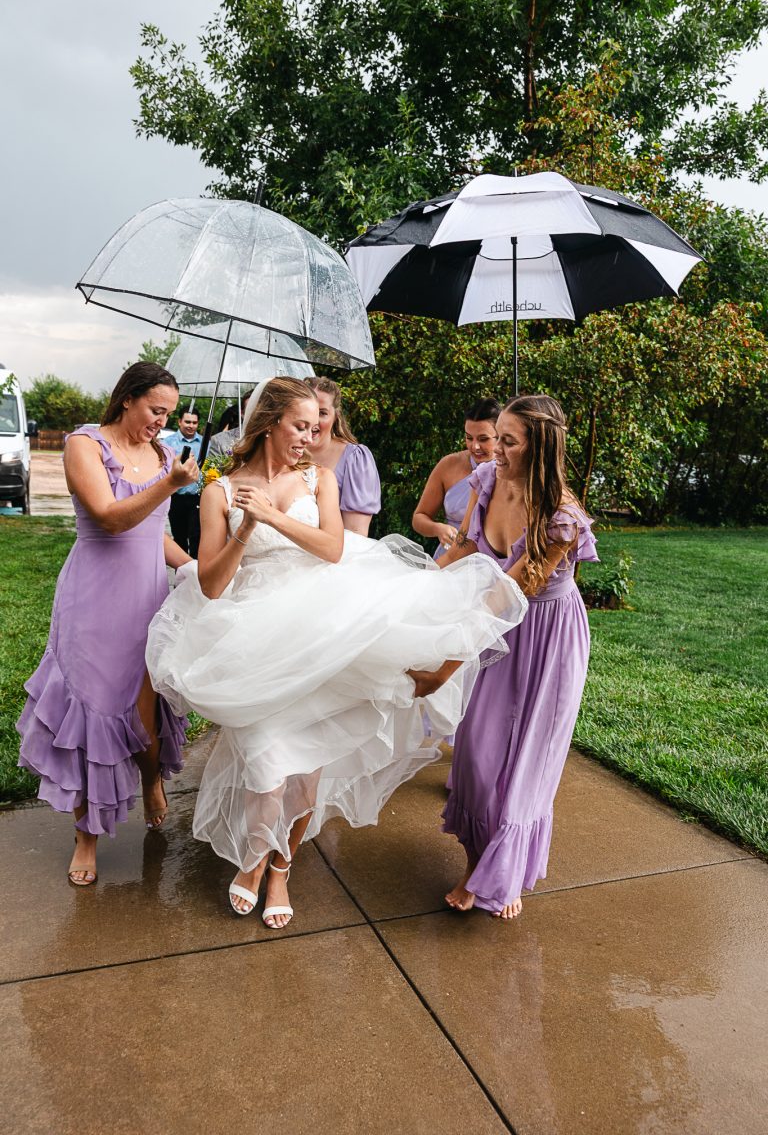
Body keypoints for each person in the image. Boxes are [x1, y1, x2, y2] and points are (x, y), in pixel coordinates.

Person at [146, 377, 527, 925]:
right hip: (253, 637)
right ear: (269, 422)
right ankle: (254, 857)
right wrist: (247, 526)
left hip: (322, 630)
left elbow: (332, 549)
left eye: (316, 425)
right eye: (300, 425)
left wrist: (274, 516)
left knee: (307, 768)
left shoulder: (320, 479)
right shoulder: (219, 491)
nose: (311, 434)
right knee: (265, 762)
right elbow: (209, 583)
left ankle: (280, 867)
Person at [16, 362, 199, 887]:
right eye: (155, 411)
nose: (161, 423)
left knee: (143, 718)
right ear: (127, 399)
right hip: (93, 602)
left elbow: (154, 538)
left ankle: (150, 781)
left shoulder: (163, 453)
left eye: (168, 414)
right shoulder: (84, 444)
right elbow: (110, 518)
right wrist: (170, 484)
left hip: (147, 599)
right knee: (92, 719)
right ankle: (87, 835)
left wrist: (192, 570)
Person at [439, 394, 598, 920]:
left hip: (545, 636)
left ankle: (502, 874)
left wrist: (454, 640)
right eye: (495, 437)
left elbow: (518, 587)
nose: (494, 450)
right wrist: (418, 594)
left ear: (539, 448)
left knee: (527, 761)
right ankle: (474, 861)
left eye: (508, 441)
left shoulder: (563, 519)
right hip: (495, 623)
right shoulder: (485, 481)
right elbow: (463, 548)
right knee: (476, 756)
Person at [412, 398, 500, 558]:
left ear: (500, 437)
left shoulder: (512, 473)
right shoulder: (448, 464)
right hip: (450, 557)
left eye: (483, 439)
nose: (475, 446)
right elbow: (419, 517)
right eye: (469, 438)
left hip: (492, 563)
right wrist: (438, 529)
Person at [304, 376, 381, 536]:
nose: (312, 421)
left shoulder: (355, 460)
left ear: (335, 416)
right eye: (307, 411)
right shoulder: (282, 456)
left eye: (322, 413)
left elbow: (356, 534)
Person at [165, 405, 203, 557]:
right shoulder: (168, 443)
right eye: (187, 422)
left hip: (197, 498)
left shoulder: (205, 442)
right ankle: (181, 576)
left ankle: (195, 574)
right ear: (180, 422)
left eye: (194, 422)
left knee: (196, 537)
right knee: (179, 538)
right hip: (176, 497)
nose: (191, 426)